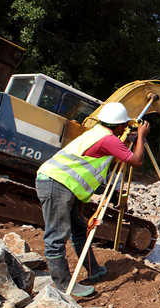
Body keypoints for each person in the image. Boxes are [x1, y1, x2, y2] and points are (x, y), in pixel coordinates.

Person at [36, 102, 149, 297]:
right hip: (56, 183)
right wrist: (141, 136)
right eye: (124, 125)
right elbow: (136, 161)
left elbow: (82, 171)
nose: (125, 128)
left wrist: (80, 202)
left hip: (65, 185)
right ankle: (64, 286)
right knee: (56, 237)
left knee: (79, 229)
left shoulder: (98, 133)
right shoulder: (108, 140)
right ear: (120, 126)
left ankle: (94, 269)